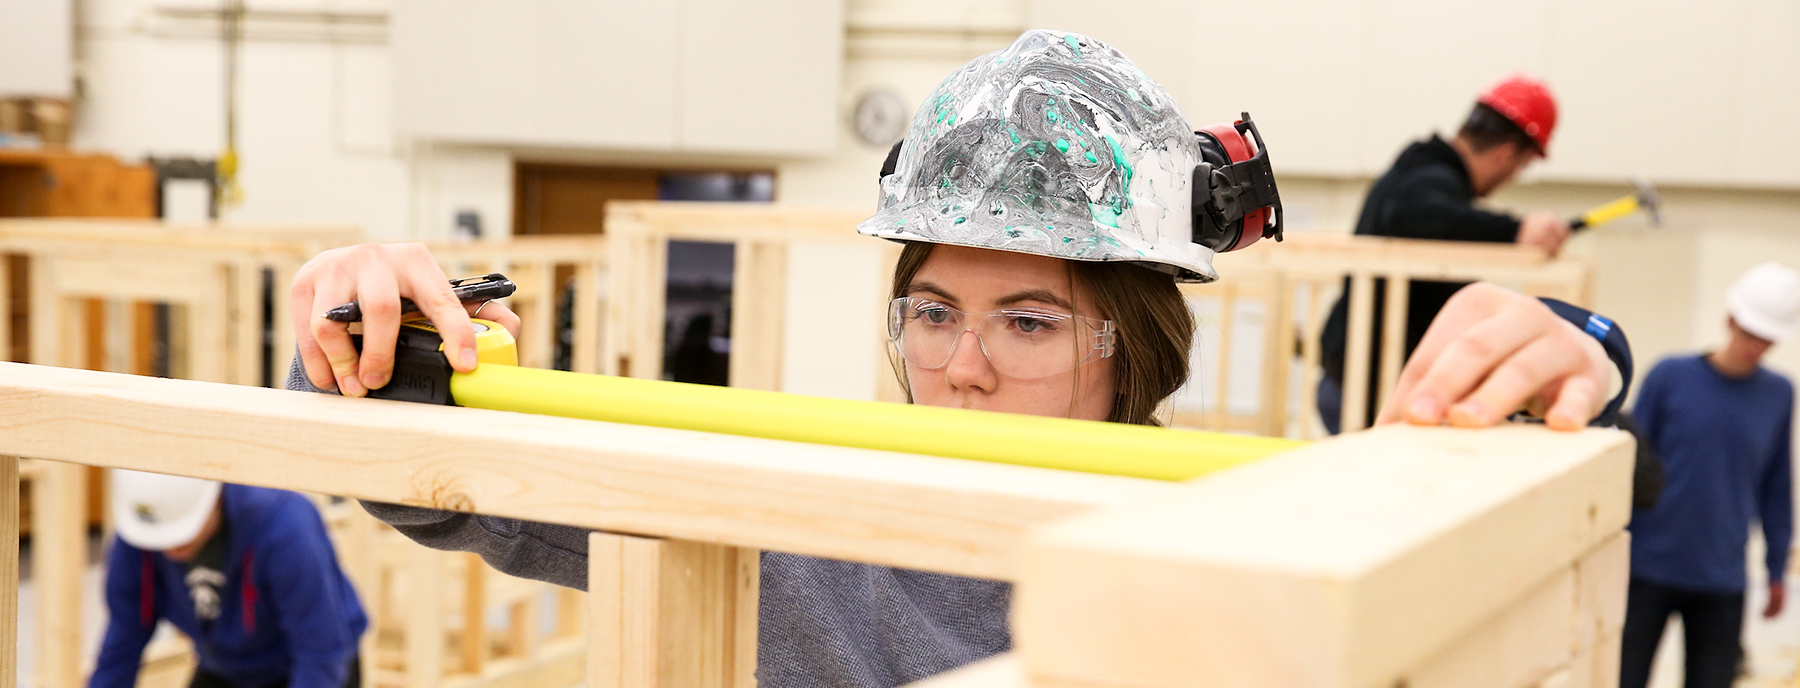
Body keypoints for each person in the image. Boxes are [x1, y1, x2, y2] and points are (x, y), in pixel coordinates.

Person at [285, 31, 1628, 688]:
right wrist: (375, 325)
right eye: (931, 312)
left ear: (1132, 348)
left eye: (1027, 323)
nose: (962, 368)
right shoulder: (789, 512)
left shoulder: (1250, 536)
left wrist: (1581, 353)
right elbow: (419, 478)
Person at [1317, 74, 1576, 434]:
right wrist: (1515, 231)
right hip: (1365, 387)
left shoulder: (1418, 168)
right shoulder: (1431, 179)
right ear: (1505, 154)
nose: (1513, 177)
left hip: (1356, 379)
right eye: (1521, 167)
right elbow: (1417, 213)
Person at [1619, 262, 1800, 688]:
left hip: (1721, 576)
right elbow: (1631, 466)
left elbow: (1777, 486)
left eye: (1766, 339)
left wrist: (1777, 569)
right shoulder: (1669, 376)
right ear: (1730, 319)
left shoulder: (1779, 394)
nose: (1755, 346)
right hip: (1647, 568)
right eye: (1750, 333)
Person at [91, 470, 368, 688]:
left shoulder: (284, 526)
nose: (171, 550)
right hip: (227, 666)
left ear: (213, 498)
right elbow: (121, 648)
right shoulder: (140, 537)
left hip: (318, 664)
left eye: (181, 537)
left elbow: (320, 652)